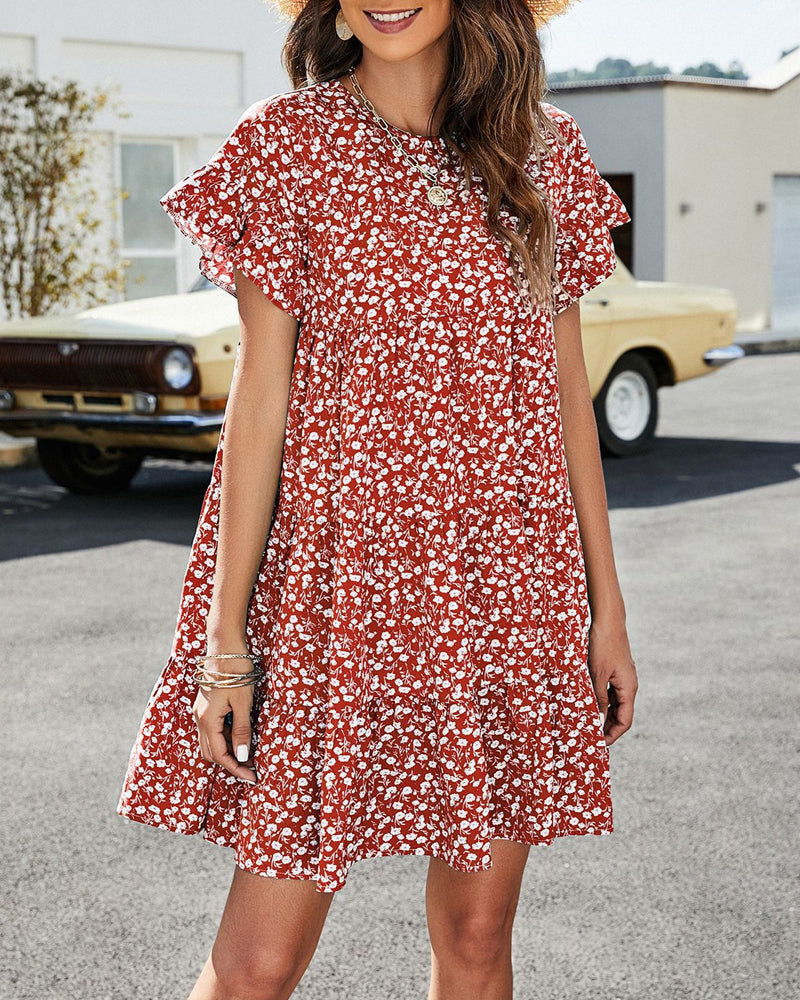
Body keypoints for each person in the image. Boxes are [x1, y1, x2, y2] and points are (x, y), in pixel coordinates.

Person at [117, 1, 639, 997]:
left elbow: (564, 393)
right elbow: (258, 408)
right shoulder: (284, 147)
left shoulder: (545, 151)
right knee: (256, 966)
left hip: (502, 581)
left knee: (479, 938)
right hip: (333, 589)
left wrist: (604, 609)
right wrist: (226, 643)